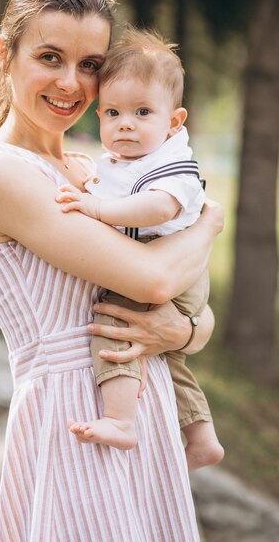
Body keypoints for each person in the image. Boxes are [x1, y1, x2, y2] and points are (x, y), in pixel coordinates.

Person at [0, 0, 223, 542]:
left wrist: (185, 330)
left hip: (139, 406)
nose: (71, 83)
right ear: (6, 55)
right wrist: (212, 223)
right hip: (75, 419)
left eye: (90, 65)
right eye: (50, 57)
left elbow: (187, 312)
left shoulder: (92, 172)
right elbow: (153, 279)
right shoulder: (2, 175)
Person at [56, 27, 225, 470]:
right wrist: (88, 178)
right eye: (112, 112)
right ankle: (202, 434)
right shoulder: (129, 160)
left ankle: (121, 420)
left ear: (174, 121)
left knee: (114, 323)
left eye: (142, 112)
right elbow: (112, 182)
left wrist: (96, 206)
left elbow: (154, 208)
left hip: (172, 267)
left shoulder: (174, 166)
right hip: (173, 272)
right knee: (165, 357)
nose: (124, 123)